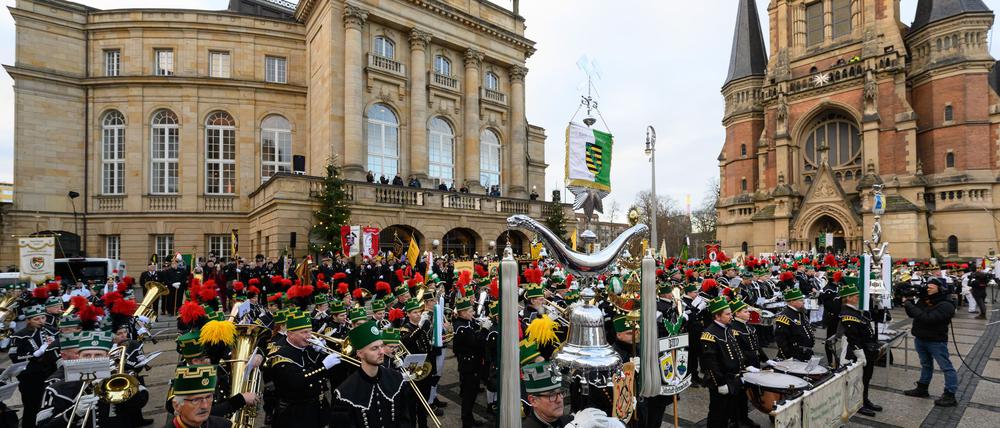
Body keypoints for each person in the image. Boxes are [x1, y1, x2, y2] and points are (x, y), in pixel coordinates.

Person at [267, 309, 343, 427]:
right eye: (304, 332)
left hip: (319, 407)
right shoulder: (280, 355)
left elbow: (335, 373)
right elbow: (296, 381)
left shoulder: (309, 348)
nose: (309, 336)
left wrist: (324, 352)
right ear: (290, 334)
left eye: (310, 331)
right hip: (296, 414)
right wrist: (323, 366)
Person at [331, 320, 411, 426]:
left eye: (381, 346)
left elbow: (404, 420)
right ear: (360, 354)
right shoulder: (344, 392)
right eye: (374, 348)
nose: (381, 352)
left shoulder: (396, 378)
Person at [903, 277, 958, 407]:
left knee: (946, 367)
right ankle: (922, 388)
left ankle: (950, 394)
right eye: (927, 286)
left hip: (936, 341)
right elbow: (913, 314)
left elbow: (927, 318)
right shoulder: (926, 299)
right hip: (921, 338)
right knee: (926, 365)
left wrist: (909, 304)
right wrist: (908, 301)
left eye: (931, 287)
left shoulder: (946, 305)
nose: (927, 289)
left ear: (940, 289)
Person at [699, 297, 746, 428]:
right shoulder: (709, 334)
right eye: (728, 314)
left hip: (734, 378)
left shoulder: (728, 329)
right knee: (717, 413)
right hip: (721, 380)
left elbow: (736, 351)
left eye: (731, 313)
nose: (731, 316)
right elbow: (711, 362)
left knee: (729, 411)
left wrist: (743, 368)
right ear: (717, 316)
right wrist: (720, 383)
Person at [9, 305, 58, 428]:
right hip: (30, 377)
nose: (41, 321)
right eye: (37, 319)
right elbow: (14, 356)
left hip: (49, 373)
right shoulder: (19, 335)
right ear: (28, 320)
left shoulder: (52, 331)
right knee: (31, 407)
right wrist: (34, 354)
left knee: (48, 405)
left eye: (43, 318)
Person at [838, 283, 882, 417]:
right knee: (857, 379)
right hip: (856, 352)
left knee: (866, 377)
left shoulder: (855, 311)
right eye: (855, 296)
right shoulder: (847, 313)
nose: (858, 298)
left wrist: (877, 304)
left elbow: (875, 319)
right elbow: (853, 337)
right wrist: (860, 355)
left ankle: (864, 399)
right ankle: (857, 403)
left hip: (866, 349)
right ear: (848, 298)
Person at [452, 295, 487, 428]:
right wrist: (484, 330)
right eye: (470, 311)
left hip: (473, 363)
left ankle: (469, 418)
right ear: (462, 312)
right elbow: (475, 342)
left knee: (472, 394)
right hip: (468, 365)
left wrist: (479, 324)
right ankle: (466, 422)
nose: (472, 313)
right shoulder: (461, 327)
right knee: (468, 395)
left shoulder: (467, 323)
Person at [165, 365, 232, 428]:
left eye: (208, 397)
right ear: (177, 406)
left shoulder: (225, 425)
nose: (205, 406)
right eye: (196, 400)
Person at [521, 362, 571, 428]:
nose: (559, 400)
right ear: (533, 401)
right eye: (552, 395)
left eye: (561, 392)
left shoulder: (571, 422)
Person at [773, 288, 815, 361]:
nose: (803, 302)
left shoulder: (800, 312)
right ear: (792, 302)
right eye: (800, 300)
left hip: (805, 353)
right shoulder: (785, 317)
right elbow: (781, 341)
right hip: (794, 355)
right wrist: (788, 357)